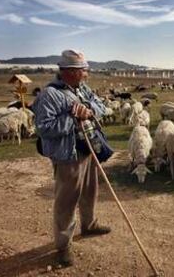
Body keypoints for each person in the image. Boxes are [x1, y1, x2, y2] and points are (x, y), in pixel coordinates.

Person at [33, 49, 111, 267]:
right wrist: (73, 116)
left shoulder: (81, 89)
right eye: (83, 70)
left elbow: (101, 106)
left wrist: (87, 110)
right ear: (70, 71)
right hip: (68, 155)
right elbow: (44, 128)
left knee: (90, 191)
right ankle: (63, 246)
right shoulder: (50, 95)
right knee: (66, 201)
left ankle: (89, 224)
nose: (86, 73)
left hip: (88, 148)